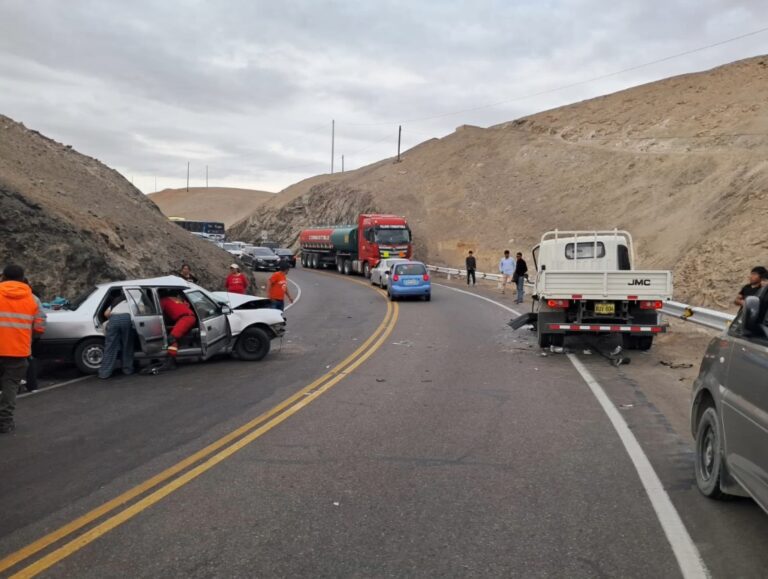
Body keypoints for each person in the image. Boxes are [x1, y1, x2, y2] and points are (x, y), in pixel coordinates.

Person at [0, 265, 46, 433]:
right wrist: (29, 338)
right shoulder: (33, 299)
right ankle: (5, 422)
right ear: (22, 278)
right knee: (10, 386)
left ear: (3, 277)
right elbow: (40, 326)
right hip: (18, 351)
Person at [98, 294, 135, 380]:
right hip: (127, 318)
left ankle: (104, 373)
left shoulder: (116, 300)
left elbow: (106, 313)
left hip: (114, 319)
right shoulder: (134, 299)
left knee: (110, 347)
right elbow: (142, 310)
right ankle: (127, 370)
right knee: (127, 345)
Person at [22, 278, 46, 392]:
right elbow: (40, 318)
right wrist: (36, 335)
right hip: (27, 335)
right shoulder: (33, 298)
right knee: (28, 358)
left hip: (5, 336)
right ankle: (32, 386)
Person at [160, 291, 198, 360]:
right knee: (177, 336)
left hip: (185, 319)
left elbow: (159, 313)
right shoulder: (174, 299)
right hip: (190, 317)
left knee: (172, 338)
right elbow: (186, 306)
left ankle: (171, 361)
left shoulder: (163, 301)